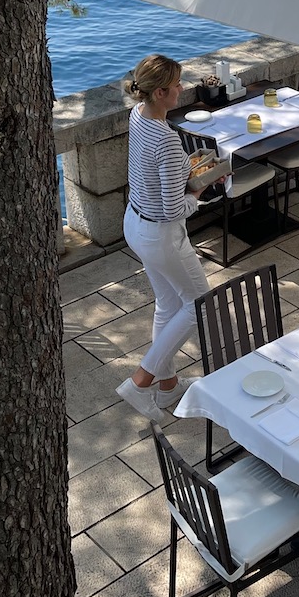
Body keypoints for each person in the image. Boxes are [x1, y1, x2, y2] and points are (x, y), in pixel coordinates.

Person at [114, 54, 212, 422]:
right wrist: (199, 189)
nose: (182, 88)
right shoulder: (169, 142)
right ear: (160, 92)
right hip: (162, 234)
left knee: (168, 305)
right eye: (176, 85)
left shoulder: (137, 116)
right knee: (198, 303)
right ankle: (141, 381)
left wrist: (182, 179)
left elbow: (154, 179)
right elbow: (174, 208)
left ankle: (168, 388)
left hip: (135, 223)